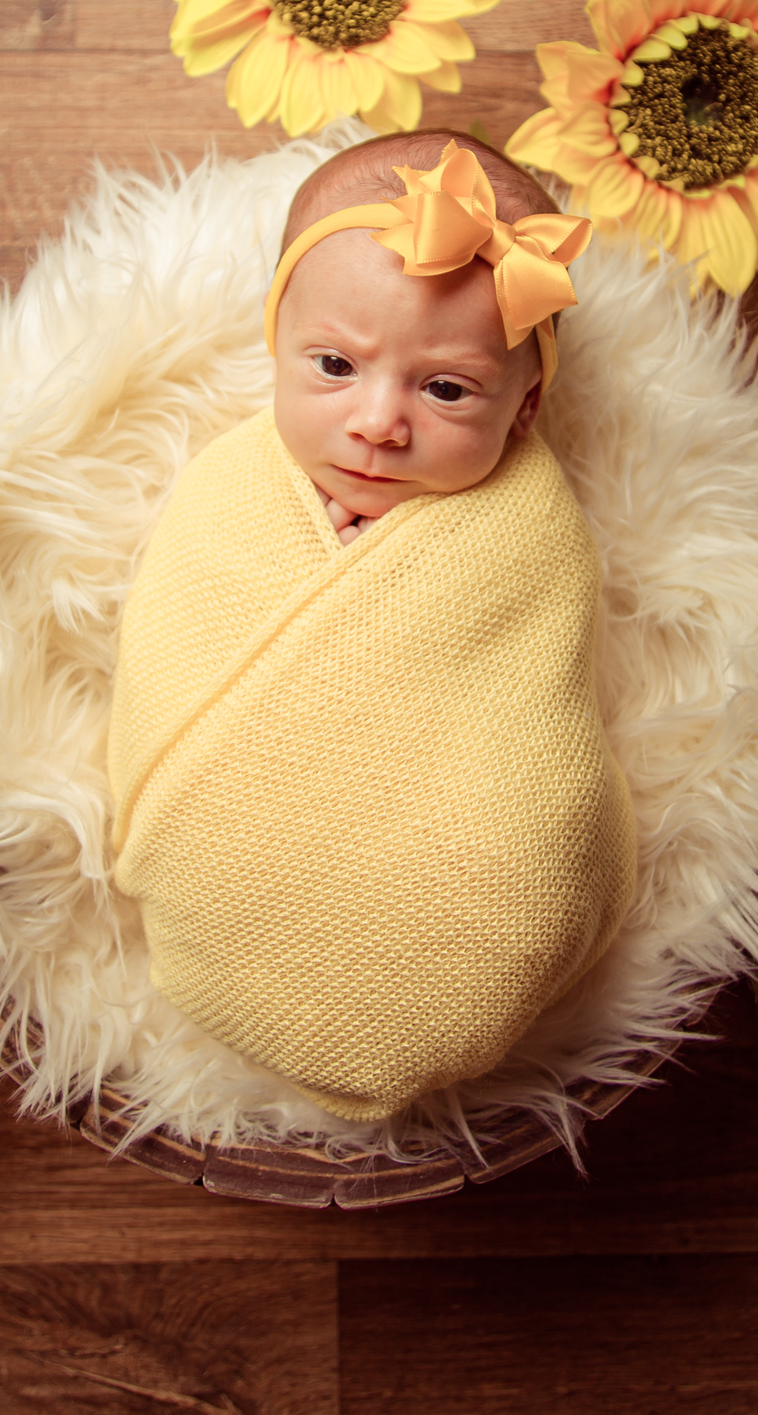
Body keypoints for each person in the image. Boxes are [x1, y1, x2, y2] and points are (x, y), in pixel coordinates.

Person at [107, 134, 636, 1123]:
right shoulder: (231, 487)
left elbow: (527, 701)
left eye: (446, 389)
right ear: (278, 345)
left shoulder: (527, 532)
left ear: (524, 409)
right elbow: (171, 635)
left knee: (524, 847)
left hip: (463, 880)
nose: (379, 421)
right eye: (336, 366)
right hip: (225, 850)